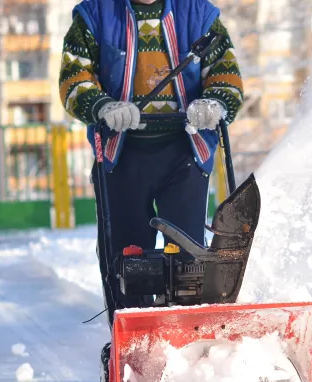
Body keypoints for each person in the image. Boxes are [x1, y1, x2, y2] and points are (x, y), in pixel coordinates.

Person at [58, 0, 244, 327]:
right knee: (126, 264)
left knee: (189, 264)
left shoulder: (199, 14)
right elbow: (74, 79)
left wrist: (215, 102)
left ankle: (190, 334)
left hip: (185, 152)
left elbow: (225, 74)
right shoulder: (95, 14)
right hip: (122, 156)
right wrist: (102, 106)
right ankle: (131, 334)